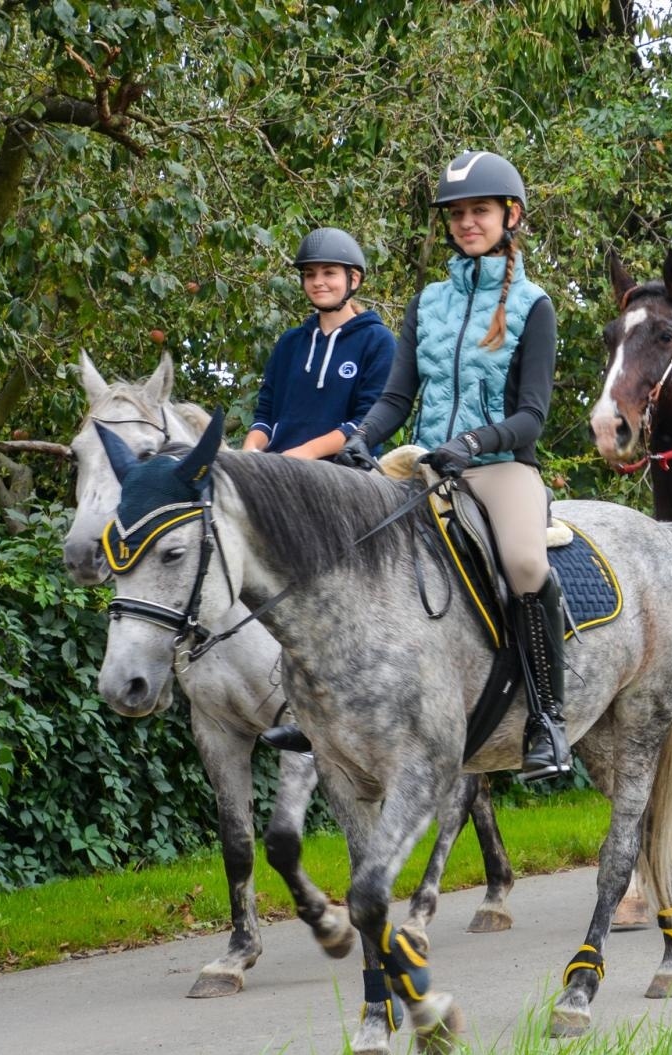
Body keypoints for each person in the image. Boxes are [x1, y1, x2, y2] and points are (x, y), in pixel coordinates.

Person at [267, 152, 573, 779]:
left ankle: (548, 718)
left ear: (509, 216)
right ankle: (317, 703)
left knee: (522, 562)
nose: (467, 222)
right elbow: (396, 399)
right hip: (423, 462)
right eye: (457, 214)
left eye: (479, 211)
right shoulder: (428, 303)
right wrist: (364, 441)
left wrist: (473, 443)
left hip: (500, 466)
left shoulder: (533, 305)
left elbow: (532, 416)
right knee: (337, 544)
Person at [243, 228, 395, 459]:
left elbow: (367, 422)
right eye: (310, 274)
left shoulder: (377, 341)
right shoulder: (289, 343)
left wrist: (305, 453)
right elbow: (265, 415)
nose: (318, 282)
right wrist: (249, 452)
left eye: (329, 273)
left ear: (353, 278)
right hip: (279, 469)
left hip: (346, 473)